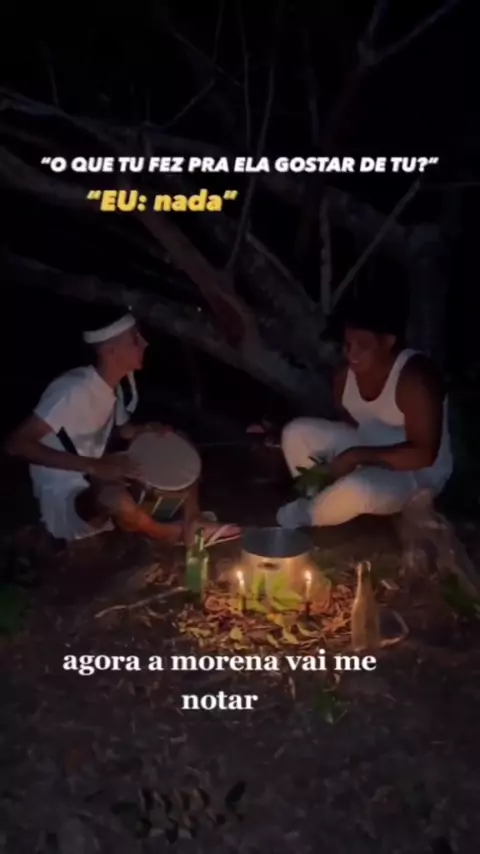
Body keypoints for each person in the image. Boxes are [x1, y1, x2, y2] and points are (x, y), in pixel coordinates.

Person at [4, 306, 240, 546]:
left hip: (99, 472)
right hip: (67, 497)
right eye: (135, 339)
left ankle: (193, 520)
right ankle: (161, 532)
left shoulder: (112, 387)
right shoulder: (72, 389)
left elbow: (124, 430)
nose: (145, 344)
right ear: (110, 350)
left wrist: (146, 429)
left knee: (176, 441)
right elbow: (17, 444)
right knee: (112, 496)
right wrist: (94, 466)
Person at [276, 301, 453, 528]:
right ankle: (320, 499)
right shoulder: (344, 377)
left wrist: (355, 457)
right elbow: (349, 422)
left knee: (359, 489)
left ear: (388, 342)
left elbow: (424, 455)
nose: (352, 353)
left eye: (363, 345)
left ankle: (304, 517)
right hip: (367, 449)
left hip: (415, 475)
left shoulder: (415, 379)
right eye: (348, 344)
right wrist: (346, 459)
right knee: (296, 433)